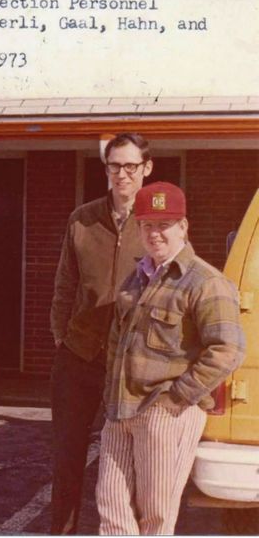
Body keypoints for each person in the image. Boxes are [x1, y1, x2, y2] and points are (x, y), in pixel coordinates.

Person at [96, 181, 245, 534]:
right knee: (111, 507)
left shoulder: (206, 282)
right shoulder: (136, 278)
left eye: (164, 224)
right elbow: (118, 341)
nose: (155, 233)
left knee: (156, 515)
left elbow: (228, 349)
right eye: (147, 225)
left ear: (183, 226)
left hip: (165, 413)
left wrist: (176, 398)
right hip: (121, 411)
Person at [49, 132, 153, 534]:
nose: (122, 175)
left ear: (146, 168)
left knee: (131, 463)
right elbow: (64, 285)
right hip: (79, 356)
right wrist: (62, 338)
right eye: (115, 166)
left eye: (131, 166)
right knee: (67, 459)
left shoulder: (157, 223)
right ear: (106, 169)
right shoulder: (83, 218)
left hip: (131, 363)